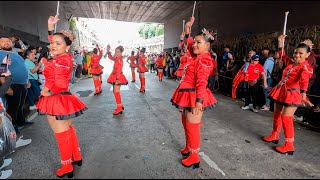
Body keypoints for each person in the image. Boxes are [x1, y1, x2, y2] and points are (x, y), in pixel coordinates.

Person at [36, 16, 87, 178]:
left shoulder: (61, 60)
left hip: (56, 98)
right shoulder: (63, 56)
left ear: (67, 46)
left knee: (61, 134)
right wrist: (50, 28)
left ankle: (67, 167)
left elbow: (60, 84)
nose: (52, 45)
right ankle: (76, 157)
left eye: (58, 43)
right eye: (52, 42)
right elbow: (56, 41)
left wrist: (47, 92)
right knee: (67, 130)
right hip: (61, 99)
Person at [171, 16, 217, 169]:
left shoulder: (204, 59)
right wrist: (187, 28)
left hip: (194, 95)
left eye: (199, 42)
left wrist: (199, 102)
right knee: (185, 122)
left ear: (207, 45)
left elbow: (202, 82)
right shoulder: (196, 56)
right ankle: (188, 147)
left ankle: (194, 156)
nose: (195, 45)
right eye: (195, 42)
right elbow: (188, 42)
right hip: (187, 93)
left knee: (192, 126)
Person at [263, 34, 314, 155]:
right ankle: (275, 135)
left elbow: (304, 81)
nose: (297, 55)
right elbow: (283, 56)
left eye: (301, 53)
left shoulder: (305, 67)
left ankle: (289, 145)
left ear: (307, 55)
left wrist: (303, 96)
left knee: (286, 118)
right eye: (296, 52)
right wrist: (280, 43)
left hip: (293, 94)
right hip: (281, 91)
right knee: (276, 114)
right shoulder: (292, 62)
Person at [106, 45, 128, 115]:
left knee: (116, 92)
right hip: (115, 76)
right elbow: (111, 57)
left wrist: (117, 79)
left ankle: (119, 108)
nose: (116, 53)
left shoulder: (119, 59)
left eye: (118, 52)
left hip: (117, 76)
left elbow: (119, 70)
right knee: (116, 92)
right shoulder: (117, 58)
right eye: (116, 52)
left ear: (121, 52)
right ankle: (120, 105)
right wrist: (108, 51)